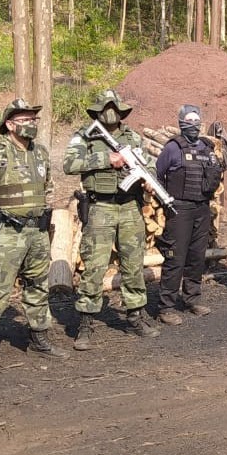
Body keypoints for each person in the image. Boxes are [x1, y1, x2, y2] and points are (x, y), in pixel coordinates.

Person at [0, 99, 63, 381]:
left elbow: (48, 190)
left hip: (37, 233)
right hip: (7, 234)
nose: (32, 124)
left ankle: (39, 338)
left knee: (38, 286)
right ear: (10, 124)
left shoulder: (40, 153)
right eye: (26, 119)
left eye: (35, 119)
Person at [62, 90, 160, 350]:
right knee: (94, 266)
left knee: (133, 264)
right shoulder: (85, 135)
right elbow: (69, 164)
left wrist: (149, 182)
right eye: (106, 107)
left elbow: (148, 164)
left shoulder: (132, 138)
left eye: (114, 107)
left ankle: (135, 314)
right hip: (100, 207)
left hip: (130, 207)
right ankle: (86, 322)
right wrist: (106, 158)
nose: (110, 112)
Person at [155, 105, 227, 325]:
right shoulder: (172, 148)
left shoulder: (207, 148)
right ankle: (166, 306)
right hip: (179, 208)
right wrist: (166, 203)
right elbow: (157, 176)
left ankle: (192, 298)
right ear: (181, 123)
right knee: (175, 258)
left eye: (197, 121)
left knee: (196, 256)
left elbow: (222, 169)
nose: (194, 125)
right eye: (189, 121)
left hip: (202, 208)